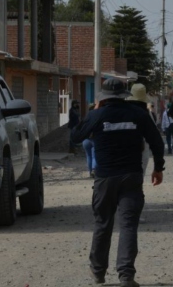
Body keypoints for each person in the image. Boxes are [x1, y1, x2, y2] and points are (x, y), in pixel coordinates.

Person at [71, 78, 165, 287]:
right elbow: (156, 141)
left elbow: (76, 137)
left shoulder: (97, 115)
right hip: (131, 177)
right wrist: (158, 168)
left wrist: (94, 111)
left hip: (104, 179)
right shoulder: (138, 114)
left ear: (103, 98)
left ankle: (98, 272)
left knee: (103, 224)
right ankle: (126, 275)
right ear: (124, 95)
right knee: (129, 225)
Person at [82, 103, 97, 178]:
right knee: (95, 156)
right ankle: (94, 170)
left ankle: (90, 171)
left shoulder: (86, 118)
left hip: (86, 140)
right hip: (94, 140)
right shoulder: (97, 117)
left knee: (88, 156)